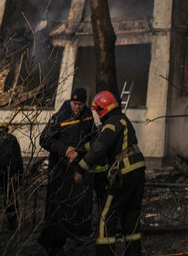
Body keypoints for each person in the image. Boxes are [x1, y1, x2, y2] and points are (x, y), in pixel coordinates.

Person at [71, 90, 146, 256]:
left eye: (98, 111)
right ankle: (134, 253)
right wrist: (79, 151)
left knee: (107, 215)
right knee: (131, 215)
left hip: (124, 172)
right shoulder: (122, 120)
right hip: (137, 170)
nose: (97, 115)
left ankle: (105, 252)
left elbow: (99, 148)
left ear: (102, 109)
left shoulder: (112, 123)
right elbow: (98, 145)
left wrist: (80, 168)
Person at [38, 87, 96, 253]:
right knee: (56, 207)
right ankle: (53, 242)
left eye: (80, 104)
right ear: (70, 101)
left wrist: (81, 152)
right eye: (75, 103)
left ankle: (74, 236)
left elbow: (93, 137)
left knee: (75, 205)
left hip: (77, 169)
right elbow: (45, 139)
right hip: (59, 170)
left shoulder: (88, 116)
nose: (77, 107)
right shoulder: (60, 116)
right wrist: (65, 149)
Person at [0, 121, 23, 231]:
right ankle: (12, 223)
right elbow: (18, 157)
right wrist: (20, 174)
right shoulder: (12, 139)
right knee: (10, 197)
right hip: (8, 172)